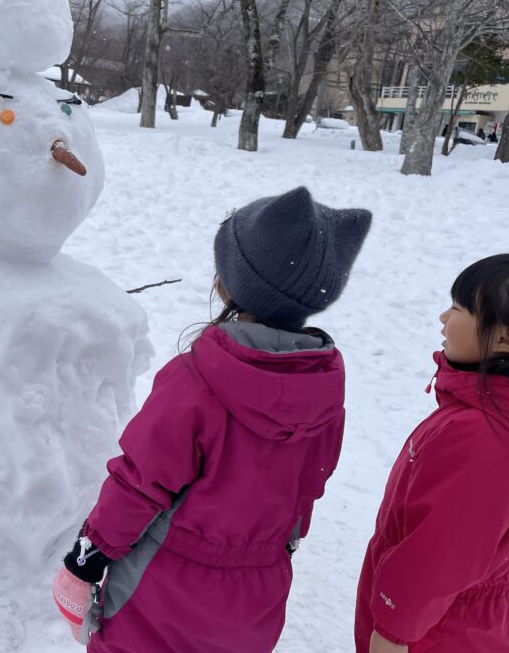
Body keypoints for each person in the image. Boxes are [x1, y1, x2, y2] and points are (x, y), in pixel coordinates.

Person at [54, 186, 372, 652]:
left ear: (229, 283)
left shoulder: (196, 379)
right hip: (258, 592)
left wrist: (87, 561)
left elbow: (141, 483)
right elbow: (309, 487)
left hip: (163, 583)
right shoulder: (324, 387)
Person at [355, 249, 509, 653]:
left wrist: (392, 634)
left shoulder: (484, 437)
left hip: (435, 632)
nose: (443, 317)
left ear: (506, 339)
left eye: (458, 308)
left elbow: (439, 559)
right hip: (453, 622)